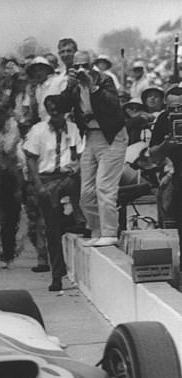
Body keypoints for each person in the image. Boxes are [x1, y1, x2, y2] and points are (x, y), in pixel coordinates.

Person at [56, 50, 128, 247]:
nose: (81, 70)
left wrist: (93, 86)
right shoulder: (74, 86)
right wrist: (69, 86)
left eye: (84, 66)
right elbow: (59, 107)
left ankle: (110, 232)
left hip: (112, 136)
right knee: (86, 192)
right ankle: (97, 230)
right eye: (77, 66)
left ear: (92, 65)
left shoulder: (105, 80)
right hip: (91, 137)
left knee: (105, 187)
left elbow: (112, 107)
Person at [23, 95, 86, 291]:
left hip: (67, 178)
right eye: (51, 108)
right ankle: (57, 274)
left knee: (77, 188)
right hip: (47, 180)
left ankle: (79, 218)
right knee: (52, 229)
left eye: (58, 108)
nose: (55, 111)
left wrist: (75, 165)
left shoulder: (73, 128)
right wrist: (38, 185)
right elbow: (31, 158)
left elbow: (77, 154)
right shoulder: (39, 130)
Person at [149, 86, 182, 247]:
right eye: (172, 109)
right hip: (175, 178)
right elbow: (153, 154)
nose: (176, 112)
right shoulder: (164, 118)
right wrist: (166, 145)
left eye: (180, 108)